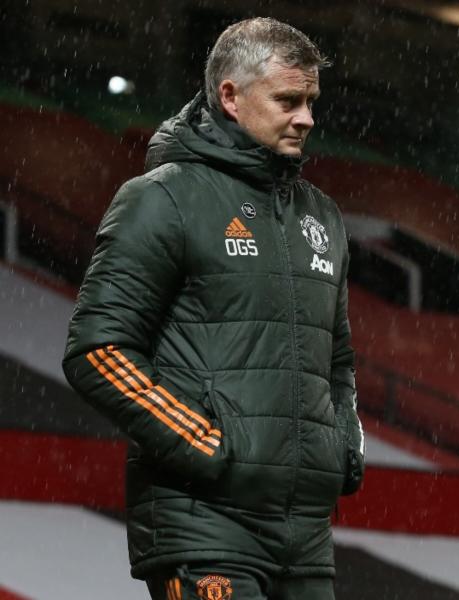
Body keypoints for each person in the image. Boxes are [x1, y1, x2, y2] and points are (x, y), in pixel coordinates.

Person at [62, 17, 363, 600]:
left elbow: (339, 360)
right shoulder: (162, 198)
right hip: (202, 522)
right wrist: (205, 444)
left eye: (310, 101)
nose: (307, 117)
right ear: (230, 95)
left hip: (305, 536)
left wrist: (343, 446)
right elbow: (97, 349)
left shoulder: (321, 216)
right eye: (288, 100)